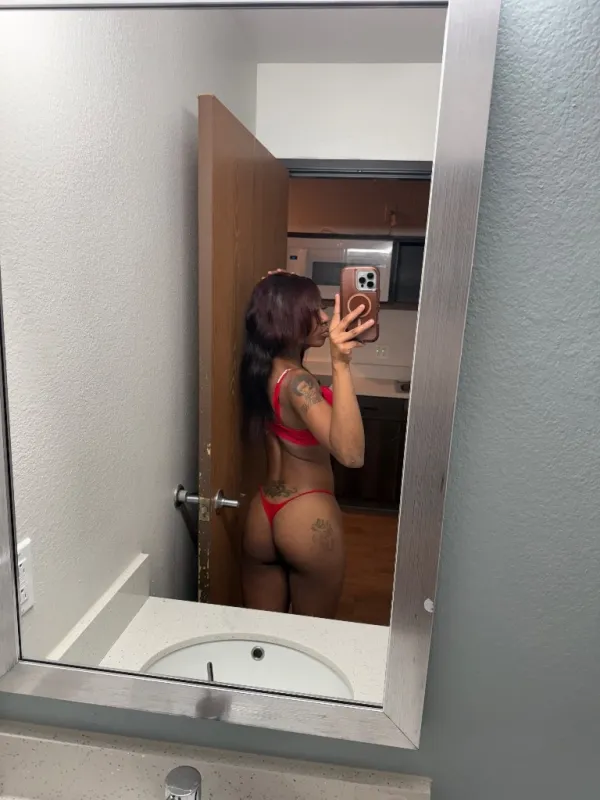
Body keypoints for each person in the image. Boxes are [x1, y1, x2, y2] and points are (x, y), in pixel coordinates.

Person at [239, 271, 374, 618]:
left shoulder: (263, 368)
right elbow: (351, 454)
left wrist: (277, 286)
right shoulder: (298, 383)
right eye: (312, 311)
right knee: (311, 638)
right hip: (306, 515)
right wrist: (341, 364)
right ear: (286, 318)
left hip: (262, 515)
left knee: (262, 635)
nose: (325, 318)